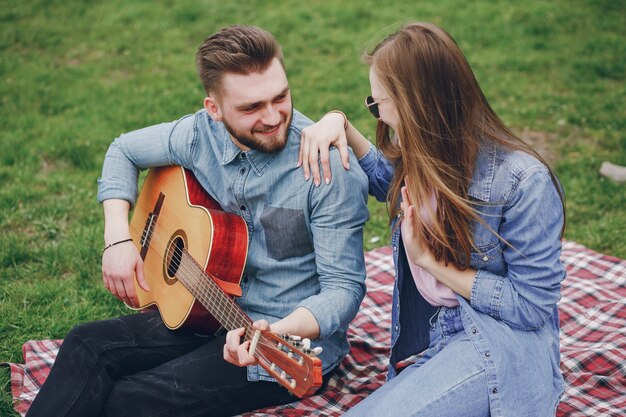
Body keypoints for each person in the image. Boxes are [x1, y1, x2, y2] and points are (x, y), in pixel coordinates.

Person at [26, 25, 369, 417]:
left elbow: (343, 289)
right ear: (214, 110)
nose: (273, 117)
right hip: (202, 307)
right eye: (251, 107)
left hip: (276, 341)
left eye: (281, 97)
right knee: (85, 343)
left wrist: (273, 331)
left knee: (128, 401)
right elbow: (122, 150)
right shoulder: (198, 135)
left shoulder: (326, 168)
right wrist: (118, 240)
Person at [298, 22, 566, 417]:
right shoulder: (428, 158)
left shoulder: (523, 184)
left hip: (499, 346)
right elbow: (385, 179)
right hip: (434, 341)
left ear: (417, 104)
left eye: (378, 104)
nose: (377, 114)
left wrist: (432, 263)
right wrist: (339, 122)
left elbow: (531, 306)